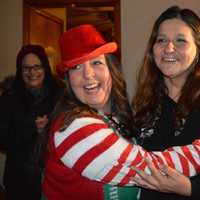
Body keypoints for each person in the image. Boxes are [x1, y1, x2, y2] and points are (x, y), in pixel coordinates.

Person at [40, 24, 200, 200]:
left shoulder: (120, 118)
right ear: (68, 80)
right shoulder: (74, 127)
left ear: (111, 69)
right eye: (76, 67)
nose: (88, 74)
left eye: (96, 62)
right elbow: (145, 168)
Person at [132, 6, 200, 200]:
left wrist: (188, 188)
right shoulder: (145, 103)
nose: (169, 48)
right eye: (161, 40)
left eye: (181, 40)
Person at [0, 44, 64, 200]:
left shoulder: (61, 94)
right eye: (26, 68)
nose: (32, 72)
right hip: (20, 180)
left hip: (54, 177)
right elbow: (2, 141)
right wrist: (31, 128)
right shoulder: (9, 98)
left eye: (37, 67)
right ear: (20, 71)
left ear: (45, 67)